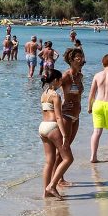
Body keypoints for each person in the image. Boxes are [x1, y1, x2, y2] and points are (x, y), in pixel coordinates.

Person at [38, 69, 73, 200]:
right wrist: (64, 134)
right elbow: (58, 117)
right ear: (55, 80)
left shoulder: (44, 94)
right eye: (60, 80)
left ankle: (45, 192)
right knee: (68, 158)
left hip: (42, 127)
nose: (61, 83)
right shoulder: (55, 95)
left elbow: (49, 110)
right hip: (52, 127)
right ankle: (52, 186)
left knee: (49, 161)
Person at [58, 48, 85, 185]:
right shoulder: (65, 76)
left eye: (82, 57)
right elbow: (50, 89)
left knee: (67, 147)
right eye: (78, 57)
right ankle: (58, 179)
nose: (81, 60)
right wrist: (54, 109)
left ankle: (59, 178)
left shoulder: (79, 76)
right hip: (66, 116)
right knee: (64, 149)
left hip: (76, 116)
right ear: (71, 60)